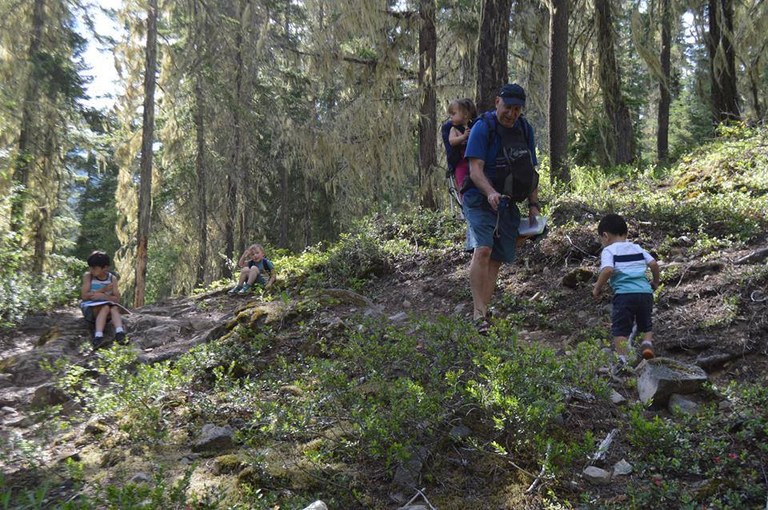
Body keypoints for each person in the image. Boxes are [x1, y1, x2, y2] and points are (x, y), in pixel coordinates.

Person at [462, 83, 539, 332]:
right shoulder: (482, 128)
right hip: (478, 198)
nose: (512, 114)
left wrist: (534, 205)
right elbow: (475, 170)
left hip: (507, 202)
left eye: (517, 109)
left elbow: (530, 172)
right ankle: (477, 314)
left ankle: (482, 315)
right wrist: (490, 192)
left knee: (495, 258)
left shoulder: (525, 130)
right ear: (497, 102)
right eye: (508, 107)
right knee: (483, 249)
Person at [592, 213, 660, 364]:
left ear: (605, 236)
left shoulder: (609, 251)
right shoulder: (637, 248)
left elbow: (608, 270)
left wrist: (597, 288)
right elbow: (654, 264)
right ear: (626, 233)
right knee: (645, 324)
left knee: (620, 329)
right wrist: (655, 282)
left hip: (624, 295)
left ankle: (623, 360)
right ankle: (647, 344)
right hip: (645, 292)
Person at [80, 251, 127, 349]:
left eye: (94, 268)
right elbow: (84, 296)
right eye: (90, 267)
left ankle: (119, 332)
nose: (91, 270)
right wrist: (102, 290)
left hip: (108, 308)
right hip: (91, 310)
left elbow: (116, 299)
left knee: (113, 308)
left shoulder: (112, 278)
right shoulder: (88, 276)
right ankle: (98, 336)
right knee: (105, 307)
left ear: (105, 268)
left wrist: (103, 296)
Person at [446, 98, 478, 195]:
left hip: (474, 161)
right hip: (461, 163)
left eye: (454, 114)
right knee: (462, 184)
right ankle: (464, 202)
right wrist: (463, 137)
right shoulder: (453, 129)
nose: (451, 117)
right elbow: (451, 141)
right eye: (450, 115)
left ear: (465, 114)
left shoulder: (474, 126)